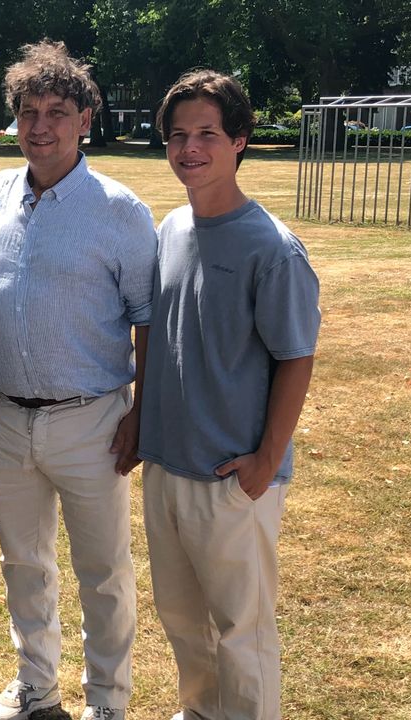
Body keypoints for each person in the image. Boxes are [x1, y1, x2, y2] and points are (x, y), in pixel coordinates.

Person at [0, 41, 157, 720]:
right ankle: (36, 684)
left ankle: (108, 702)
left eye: (57, 112)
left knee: (104, 571)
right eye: (28, 112)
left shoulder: (120, 210)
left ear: (84, 119)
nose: (40, 126)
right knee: (23, 564)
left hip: (91, 420)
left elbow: (148, 319)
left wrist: (142, 411)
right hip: (5, 419)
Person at [138, 69, 321, 720]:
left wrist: (266, 461)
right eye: (178, 135)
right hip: (166, 465)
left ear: (239, 140)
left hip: (231, 476)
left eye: (207, 134)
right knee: (183, 620)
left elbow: (296, 357)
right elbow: (156, 335)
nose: (190, 148)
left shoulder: (272, 249)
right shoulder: (170, 229)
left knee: (243, 631)